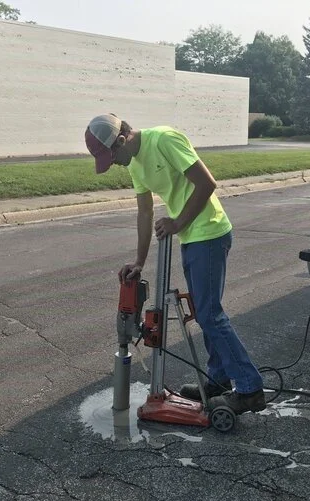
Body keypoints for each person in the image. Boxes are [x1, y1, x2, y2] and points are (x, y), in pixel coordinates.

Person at [84, 113, 265, 414]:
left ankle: (250, 389)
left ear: (121, 139)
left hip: (208, 232)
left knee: (209, 315)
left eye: (111, 155)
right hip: (191, 237)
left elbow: (206, 184)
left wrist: (178, 222)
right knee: (203, 312)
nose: (113, 162)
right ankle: (217, 381)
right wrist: (139, 261)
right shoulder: (134, 163)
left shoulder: (164, 139)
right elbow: (144, 213)